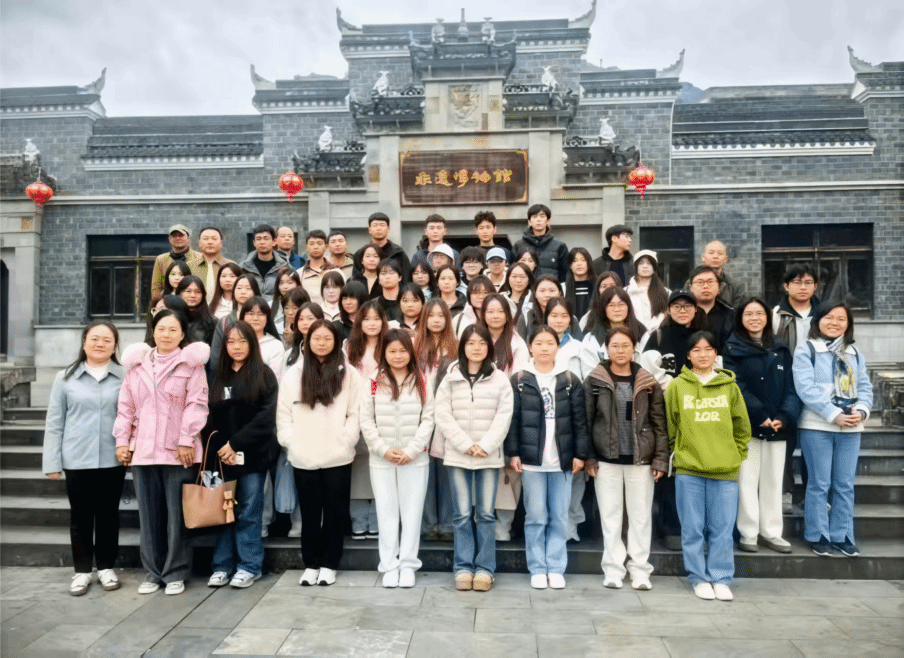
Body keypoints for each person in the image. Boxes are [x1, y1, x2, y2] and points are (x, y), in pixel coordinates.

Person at [113, 309, 209, 596]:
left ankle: (175, 572)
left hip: (178, 452)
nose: (166, 334)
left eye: (172, 330)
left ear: (182, 334)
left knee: (176, 517)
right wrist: (122, 440)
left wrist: (186, 439)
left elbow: (196, 404)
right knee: (149, 516)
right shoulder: (137, 366)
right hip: (143, 451)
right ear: (152, 332)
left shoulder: (190, 365)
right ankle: (153, 573)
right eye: (161, 329)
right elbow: (126, 407)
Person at [665, 331, 751, 602]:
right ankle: (698, 578)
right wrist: (678, 454)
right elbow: (669, 427)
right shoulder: (677, 386)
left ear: (716, 354)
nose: (703, 354)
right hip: (689, 469)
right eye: (697, 350)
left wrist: (736, 455)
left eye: (709, 349)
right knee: (692, 529)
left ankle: (721, 577)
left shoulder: (729, 387)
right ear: (688, 355)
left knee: (722, 529)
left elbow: (742, 426)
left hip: (725, 470)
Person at [277, 320, 362, 586]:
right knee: (310, 513)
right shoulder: (293, 374)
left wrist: (346, 440)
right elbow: (283, 415)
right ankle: (311, 563)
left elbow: (355, 412)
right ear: (306, 342)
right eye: (316, 338)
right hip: (304, 455)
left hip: (338, 454)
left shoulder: (349, 374)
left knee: (335, 512)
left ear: (336, 342)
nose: (322, 343)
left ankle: (330, 563)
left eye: (327, 338)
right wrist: (291, 442)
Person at [43, 321, 126, 596]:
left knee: (108, 515)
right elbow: (55, 421)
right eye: (94, 338)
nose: (100, 344)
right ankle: (81, 571)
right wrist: (52, 461)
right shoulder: (65, 378)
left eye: (107, 340)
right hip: (76, 458)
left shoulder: (125, 376)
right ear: (84, 342)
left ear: (115, 346)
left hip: (113, 457)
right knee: (80, 517)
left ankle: (106, 567)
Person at [506, 325, 589, 590]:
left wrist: (580, 454)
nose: (544, 348)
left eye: (550, 343)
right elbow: (513, 420)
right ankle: (538, 568)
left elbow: (580, 421)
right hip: (532, 461)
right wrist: (513, 452)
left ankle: (555, 566)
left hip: (561, 461)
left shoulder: (569, 380)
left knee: (559, 516)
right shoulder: (520, 379)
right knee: (535, 516)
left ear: (557, 347)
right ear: (530, 347)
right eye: (539, 343)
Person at [585, 327, 668, 591]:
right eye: (615, 346)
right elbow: (586, 422)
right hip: (606, 460)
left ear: (634, 348)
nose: (620, 351)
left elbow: (659, 423)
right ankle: (613, 569)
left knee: (640, 517)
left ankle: (640, 570)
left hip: (640, 460)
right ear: (606, 349)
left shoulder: (647, 381)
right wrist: (589, 457)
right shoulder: (595, 380)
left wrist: (661, 459)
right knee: (610, 518)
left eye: (625, 345)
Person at [434, 324, 514, 592]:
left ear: (489, 347)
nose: (476, 348)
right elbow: (442, 414)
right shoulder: (451, 377)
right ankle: (463, 566)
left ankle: (485, 568)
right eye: (471, 343)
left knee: (485, 514)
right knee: (461, 514)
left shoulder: (499, 379)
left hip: (488, 456)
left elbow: (504, 415)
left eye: (481, 343)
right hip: (458, 455)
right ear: (463, 346)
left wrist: (486, 445)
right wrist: (466, 445)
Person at [793, 301, 873, 558]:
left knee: (845, 484)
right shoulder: (806, 349)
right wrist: (833, 414)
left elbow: (864, 386)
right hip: (817, 425)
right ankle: (818, 535)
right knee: (819, 483)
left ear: (848, 324)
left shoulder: (854, 353)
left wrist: (861, 411)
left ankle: (842, 535)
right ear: (818, 320)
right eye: (829, 317)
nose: (834, 323)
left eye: (841, 319)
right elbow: (806, 388)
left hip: (851, 427)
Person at [723, 298, 801, 554]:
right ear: (740, 318)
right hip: (747, 425)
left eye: (759, 313)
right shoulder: (732, 348)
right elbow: (735, 385)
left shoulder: (780, 348)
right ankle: (748, 533)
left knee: (773, 481)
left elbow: (791, 387)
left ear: (768, 318)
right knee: (746, 480)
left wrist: (785, 416)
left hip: (778, 426)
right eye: (748, 314)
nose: (754, 318)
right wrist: (758, 414)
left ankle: (771, 532)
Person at [205, 320, 279, 589]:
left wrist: (235, 444)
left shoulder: (264, 374)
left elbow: (266, 417)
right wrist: (219, 448)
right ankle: (222, 566)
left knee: (249, 511)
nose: (236, 347)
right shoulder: (216, 375)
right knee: (220, 512)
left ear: (252, 344)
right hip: (217, 459)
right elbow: (206, 415)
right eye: (231, 342)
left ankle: (249, 566)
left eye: (242, 341)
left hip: (252, 457)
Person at [360, 329, 435, 588]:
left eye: (403, 350)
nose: (398, 355)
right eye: (392, 351)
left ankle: (408, 565)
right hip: (382, 459)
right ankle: (389, 566)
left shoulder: (422, 380)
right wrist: (382, 449)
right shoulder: (373, 381)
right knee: (386, 512)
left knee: (412, 514)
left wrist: (412, 450)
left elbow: (428, 418)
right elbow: (366, 419)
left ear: (411, 353)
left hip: (414, 459)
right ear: (384, 353)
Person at [640, 289, 706, 550]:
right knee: (667, 468)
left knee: (692, 466)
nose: (682, 310)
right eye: (676, 306)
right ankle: (669, 526)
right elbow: (647, 372)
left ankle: (692, 525)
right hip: (664, 410)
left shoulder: (702, 336)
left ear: (695, 309)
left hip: (698, 410)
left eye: (687, 306)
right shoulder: (657, 336)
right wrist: (675, 390)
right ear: (668, 309)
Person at [481, 293, 530, 541]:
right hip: (479, 415)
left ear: (509, 315)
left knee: (509, 472)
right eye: (490, 311)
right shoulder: (476, 338)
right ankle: (485, 522)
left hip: (508, 412)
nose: (495, 316)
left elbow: (518, 381)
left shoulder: (517, 344)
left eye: (500, 311)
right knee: (485, 469)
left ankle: (504, 524)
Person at [773, 263, 820, 511]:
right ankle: (785, 492)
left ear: (815, 286)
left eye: (808, 282)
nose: (803, 287)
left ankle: (814, 495)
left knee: (815, 444)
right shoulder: (776, 316)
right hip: (785, 386)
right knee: (785, 442)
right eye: (797, 282)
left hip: (817, 387)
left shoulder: (824, 315)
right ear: (786, 286)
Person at [345, 300, 391, 540]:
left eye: (376, 319)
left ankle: (378, 519)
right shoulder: (349, 347)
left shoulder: (390, 345)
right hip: (355, 411)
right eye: (367, 319)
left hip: (383, 412)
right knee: (358, 469)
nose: (372, 324)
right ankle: (359, 518)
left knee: (381, 467)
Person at [414, 298, 458, 542]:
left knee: (447, 469)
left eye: (441, 315)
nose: (436, 320)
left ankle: (448, 524)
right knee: (425, 471)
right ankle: (430, 524)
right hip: (421, 415)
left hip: (448, 415)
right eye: (431, 315)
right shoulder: (415, 347)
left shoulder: (456, 348)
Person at [544, 297, 588, 541]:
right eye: (554, 315)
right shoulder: (538, 344)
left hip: (572, 417)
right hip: (545, 418)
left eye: (564, 316)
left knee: (574, 474)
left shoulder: (580, 348)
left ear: (571, 320)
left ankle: (570, 525)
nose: (559, 320)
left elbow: (588, 381)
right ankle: (549, 526)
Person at [579, 287, 647, 377]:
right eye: (611, 305)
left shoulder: (642, 334)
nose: (617, 309)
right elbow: (589, 373)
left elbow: (647, 366)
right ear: (604, 308)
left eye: (621, 304)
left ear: (628, 307)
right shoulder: (591, 339)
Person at [210, 274, 262, 366]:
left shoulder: (261, 319)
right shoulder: (224, 321)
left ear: (255, 292)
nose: (243, 292)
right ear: (233, 292)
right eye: (239, 288)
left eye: (248, 288)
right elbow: (216, 354)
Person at [513, 204, 568, 281]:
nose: (538, 219)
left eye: (542, 216)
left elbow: (565, 274)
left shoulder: (559, 246)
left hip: (549, 287)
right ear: (529, 222)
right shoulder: (519, 245)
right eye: (534, 217)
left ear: (548, 221)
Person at [684, 241, 747, 309]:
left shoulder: (736, 285)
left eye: (720, 253)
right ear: (703, 257)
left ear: (725, 259)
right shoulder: (691, 283)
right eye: (711, 253)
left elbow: (738, 312)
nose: (715, 256)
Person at [517, 275, 580, 340]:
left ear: (559, 293)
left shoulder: (571, 319)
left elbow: (578, 343)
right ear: (535, 294)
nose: (547, 295)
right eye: (542, 291)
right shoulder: (526, 318)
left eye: (552, 290)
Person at [352, 213, 411, 282]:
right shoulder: (361, 253)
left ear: (388, 229)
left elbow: (407, 279)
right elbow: (356, 280)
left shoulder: (398, 253)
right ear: (369, 229)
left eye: (382, 225)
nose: (378, 228)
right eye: (375, 225)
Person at [688, 265, 735, 350]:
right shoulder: (683, 313)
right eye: (700, 282)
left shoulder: (730, 314)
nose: (706, 286)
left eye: (710, 282)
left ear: (719, 287)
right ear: (690, 288)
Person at [625, 250, 669, 337]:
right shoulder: (626, 291)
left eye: (649, 263)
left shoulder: (666, 292)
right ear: (636, 267)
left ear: (654, 268)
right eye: (641, 263)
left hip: (657, 337)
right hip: (632, 337)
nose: (645, 266)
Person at [151, 224, 201, 300]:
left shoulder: (199, 258)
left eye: (181, 235)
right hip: (169, 301)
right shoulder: (161, 260)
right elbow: (156, 287)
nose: (178, 238)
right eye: (174, 236)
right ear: (169, 239)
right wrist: (159, 303)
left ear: (188, 238)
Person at [239, 297, 285, 374]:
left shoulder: (275, 346)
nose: (255, 318)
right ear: (242, 317)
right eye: (251, 313)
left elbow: (275, 377)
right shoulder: (234, 342)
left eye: (261, 314)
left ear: (267, 318)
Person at [239, 224, 288, 296]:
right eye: (258, 239)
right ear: (254, 243)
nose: (262, 242)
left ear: (274, 242)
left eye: (266, 238)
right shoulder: (243, 268)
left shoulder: (285, 267)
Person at [190, 226, 234, 304]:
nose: (210, 242)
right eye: (205, 239)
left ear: (221, 243)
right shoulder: (190, 266)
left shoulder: (232, 266)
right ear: (199, 243)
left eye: (214, 239)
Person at [300, 230, 339, 305]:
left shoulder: (336, 272)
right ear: (306, 247)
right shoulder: (300, 273)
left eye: (319, 243)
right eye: (312, 244)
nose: (316, 247)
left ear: (326, 246)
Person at [176, 276, 216, 345]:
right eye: (188, 291)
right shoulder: (170, 318)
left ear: (203, 295)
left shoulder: (212, 322)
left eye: (198, 292)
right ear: (179, 293)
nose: (193, 295)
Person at [563, 247, 596, 322]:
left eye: (583, 260)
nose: (579, 264)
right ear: (570, 265)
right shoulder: (563, 288)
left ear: (589, 263)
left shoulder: (598, 286)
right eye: (575, 261)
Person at [376, 259, 404, 323]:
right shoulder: (374, 304)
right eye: (383, 273)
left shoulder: (408, 303)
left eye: (391, 273)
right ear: (378, 280)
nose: (387, 277)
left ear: (400, 277)